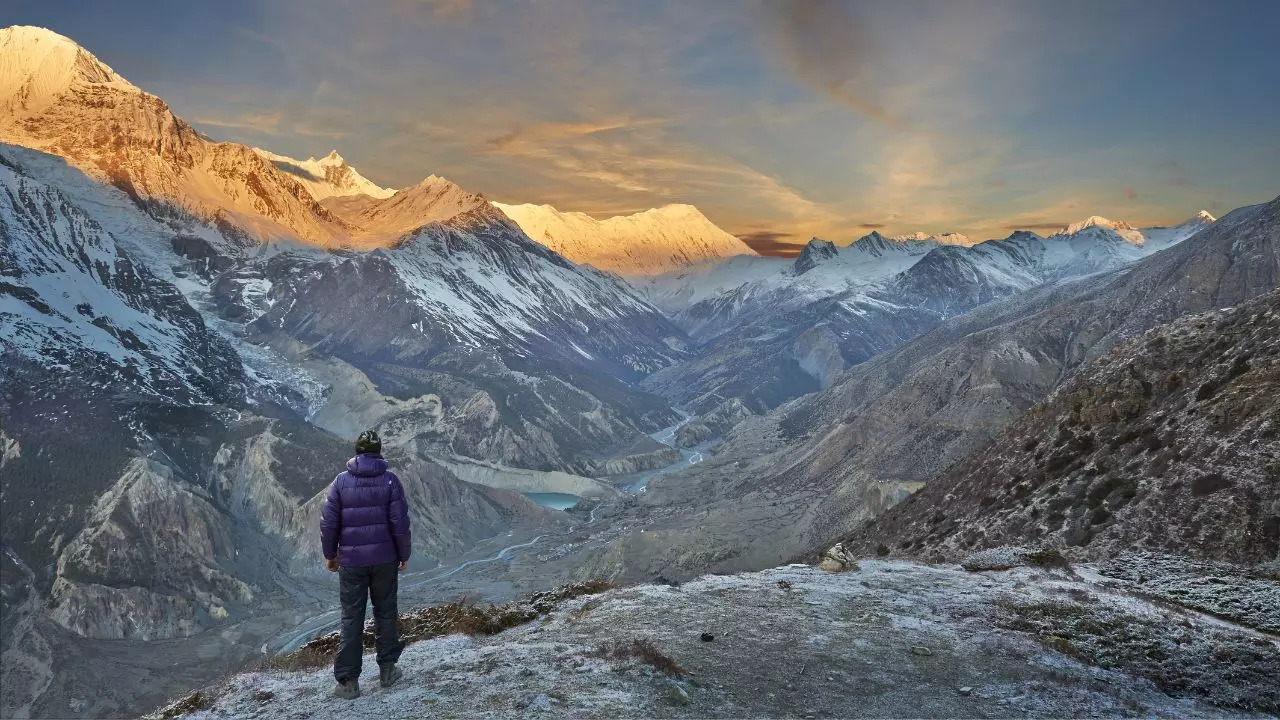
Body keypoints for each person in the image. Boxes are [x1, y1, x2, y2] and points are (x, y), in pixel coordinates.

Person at [320, 430, 412, 699]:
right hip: (385, 560)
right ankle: (387, 670)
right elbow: (400, 524)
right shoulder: (391, 481)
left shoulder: (340, 483)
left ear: (357, 452)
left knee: (351, 618)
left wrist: (330, 555)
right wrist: (403, 554)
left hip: (351, 562)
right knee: (385, 612)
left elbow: (328, 524)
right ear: (379, 451)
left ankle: (348, 683)